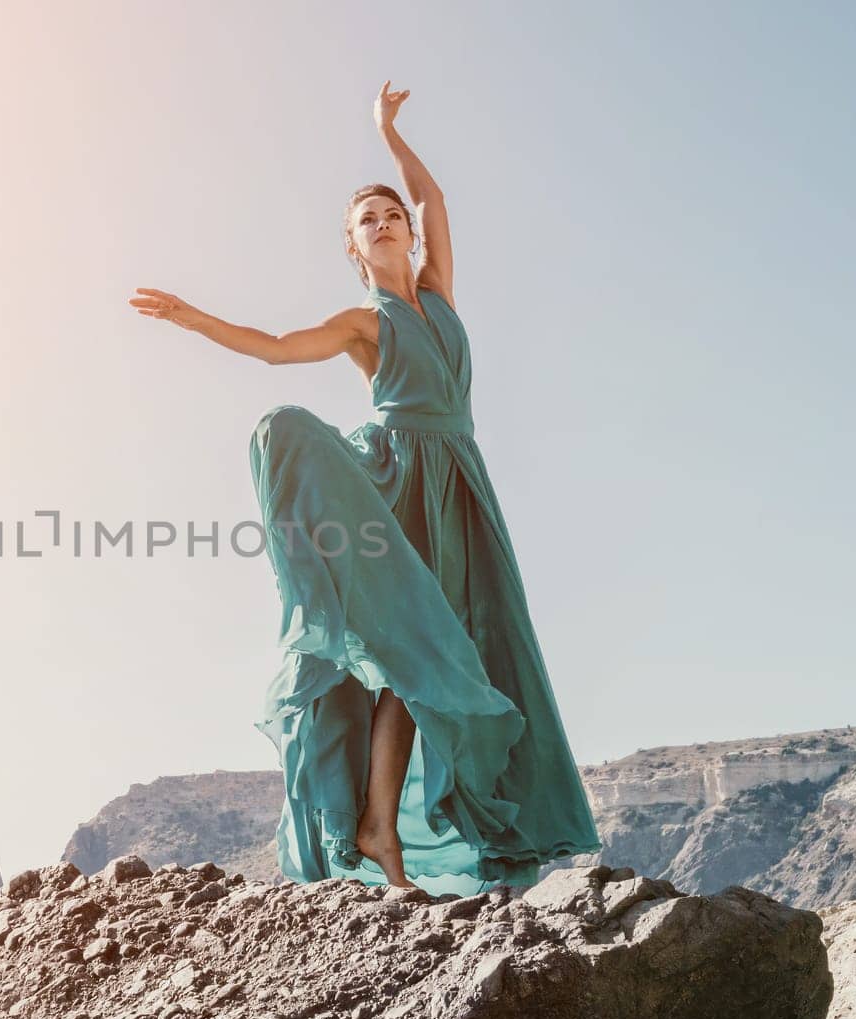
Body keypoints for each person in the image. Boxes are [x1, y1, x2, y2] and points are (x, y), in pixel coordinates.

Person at [128, 82, 602, 892]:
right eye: (367, 222)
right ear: (353, 247)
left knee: (443, 662)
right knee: (418, 653)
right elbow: (277, 347)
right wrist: (189, 317)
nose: (384, 224)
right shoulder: (364, 324)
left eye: (392, 216)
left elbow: (434, 192)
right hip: (401, 482)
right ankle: (379, 829)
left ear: (410, 234)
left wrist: (388, 133)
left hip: (463, 488)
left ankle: (384, 826)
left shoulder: (441, 295)